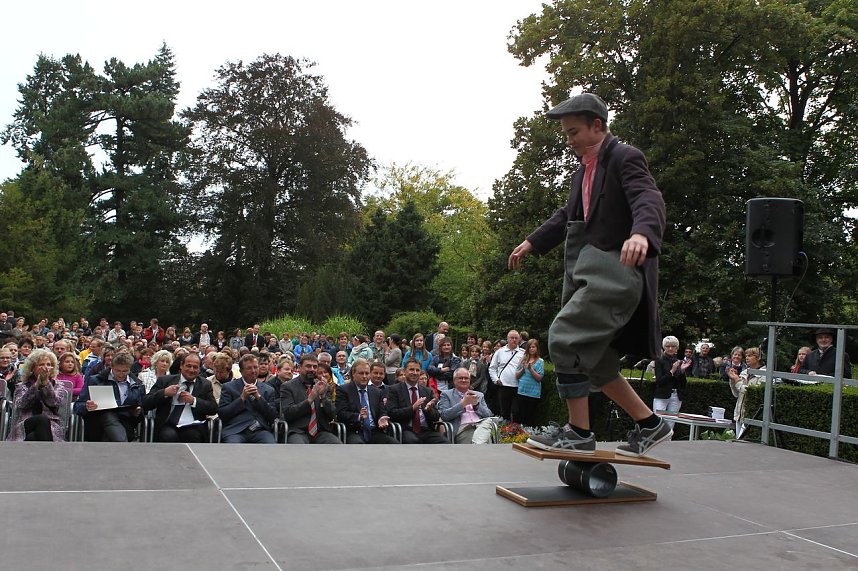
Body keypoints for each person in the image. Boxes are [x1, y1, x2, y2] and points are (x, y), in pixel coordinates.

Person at [508, 93, 672, 457]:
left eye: (575, 132)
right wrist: (531, 242)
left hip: (616, 270)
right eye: (566, 134)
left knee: (564, 338)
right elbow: (568, 215)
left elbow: (649, 198)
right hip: (589, 270)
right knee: (596, 363)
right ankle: (650, 424)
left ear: (598, 126)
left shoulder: (623, 157)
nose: (569, 141)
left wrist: (642, 233)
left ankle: (578, 431)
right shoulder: (583, 170)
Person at [143, 353, 217, 442]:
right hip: (168, 423)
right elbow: (146, 403)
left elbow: (213, 408)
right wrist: (164, 393)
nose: (191, 370)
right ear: (181, 365)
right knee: (168, 436)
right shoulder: (165, 380)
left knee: (192, 436)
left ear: (199, 369)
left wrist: (194, 401)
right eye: (188, 366)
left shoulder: (205, 384)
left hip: (193, 426)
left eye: (195, 367)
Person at [74, 351, 145, 442]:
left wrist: (137, 413)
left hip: (125, 425)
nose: (121, 374)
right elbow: (78, 406)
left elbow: (142, 411)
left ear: (130, 369)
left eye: (125, 371)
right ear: (111, 367)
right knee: (107, 415)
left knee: (108, 434)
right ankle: (124, 447)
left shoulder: (137, 385)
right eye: (118, 371)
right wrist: (87, 406)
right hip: (96, 424)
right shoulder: (95, 381)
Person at [7, 349, 66, 441]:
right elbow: (21, 404)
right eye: (41, 364)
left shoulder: (58, 385)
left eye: (48, 365)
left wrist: (46, 383)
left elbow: (54, 403)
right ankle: (52, 454)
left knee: (33, 437)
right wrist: (36, 385)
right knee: (41, 419)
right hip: (26, 422)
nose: (45, 368)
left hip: (50, 424)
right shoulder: (22, 386)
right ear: (32, 368)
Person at [218, 354, 278, 443]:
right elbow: (223, 414)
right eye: (249, 368)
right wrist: (242, 398)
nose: (253, 371)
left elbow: (273, 416)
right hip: (236, 430)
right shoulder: (229, 387)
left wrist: (259, 398)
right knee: (233, 447)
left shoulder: (268, 389)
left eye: (255, 367)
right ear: (241, 371)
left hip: (260, 430)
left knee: (270, 446)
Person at [281, 354, 340, 444]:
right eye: (308, 366)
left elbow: (332, 414)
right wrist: (309, 400)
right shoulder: (287, 387)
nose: (312, 369)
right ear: (299, 367)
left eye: (315, 367)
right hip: (298, 431)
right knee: (299, 447)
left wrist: (323, 397)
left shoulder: (323, 386)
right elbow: (288, 413)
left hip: (321, 431)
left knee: (337, 445)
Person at [335, 359, 396, 444]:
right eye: (361, 373)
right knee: (359, 446)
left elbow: (382, 411)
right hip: (354, 431)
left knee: (393, 443)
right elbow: (341, 413)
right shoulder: (344, 390)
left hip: (374, 431)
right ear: (353, 374)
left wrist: (382, 417)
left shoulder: (377, 392)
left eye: (367, 373)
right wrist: (358, 416)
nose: (364, 376)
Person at [386, 358, 446, 444]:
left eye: (417, 370)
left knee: (444, 442)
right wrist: (412, 408)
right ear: (404, 371)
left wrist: (428, 410)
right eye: (411, 369)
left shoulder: (427, 391)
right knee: (414, 442)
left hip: (426, 430)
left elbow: (436, 416)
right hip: (405, 429)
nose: (414, 373)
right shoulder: (394, 390)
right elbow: (392, 413)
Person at [438, 367, 497, 444]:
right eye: (460, 378)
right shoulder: (446, 395)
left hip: (481, 426)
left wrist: (476, 405)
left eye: (466, 378)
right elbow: (445, 415)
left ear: (469, 381)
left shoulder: (479, 395)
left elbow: (488, 415)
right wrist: (463, 404)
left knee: (485, 428)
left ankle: (479, 444)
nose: (464, 380)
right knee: (480, 439)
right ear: (454, 380)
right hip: (463, 428)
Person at [653, 336, 690, 429]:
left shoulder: (679, 362)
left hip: (676, 396)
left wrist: (681, 371)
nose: (670, 348)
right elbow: (659, 381)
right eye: (667, 346)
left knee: (671, 423)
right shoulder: (659, 360)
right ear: (663, 347)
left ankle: (668, 442)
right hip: (662, 395)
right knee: (658, 421)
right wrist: (672, 372)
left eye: (673, 346)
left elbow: (683, 383)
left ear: (676, 348)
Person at [728, 347, 765, 438]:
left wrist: (737, 380)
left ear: (758, 358)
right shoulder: (745, 372)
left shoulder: (765, 374)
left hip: (752, 415)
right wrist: (733, 380)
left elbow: (752, 393)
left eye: (750, 356)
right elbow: (736, 394)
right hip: (739, 415)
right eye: (746, 356)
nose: (747, 358)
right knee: (738, 441)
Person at [488, 331, 524, 421]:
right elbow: (492, 368)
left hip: (518, 386)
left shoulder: (523, 353)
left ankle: (516, 431)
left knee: (516, 411)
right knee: (504, 411)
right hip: (503, 386)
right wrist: (496, 379)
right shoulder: (500, 352)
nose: (514, 340)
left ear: (519, 339)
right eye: (512, 338)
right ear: (507, 339)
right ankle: (504, 431)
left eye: (516, 338)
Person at [515, 339, 545, 427]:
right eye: (530, 347)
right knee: (520, 416)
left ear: (537, 348)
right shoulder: (523, 359)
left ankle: (529, 436)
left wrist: (530, 369)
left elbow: (539, 378)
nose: (531, 349)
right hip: (521, 391)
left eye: (533, 347)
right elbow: (517, 375)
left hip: (533, 393)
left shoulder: (540, 361)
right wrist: (523, 369)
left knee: (530, 417)